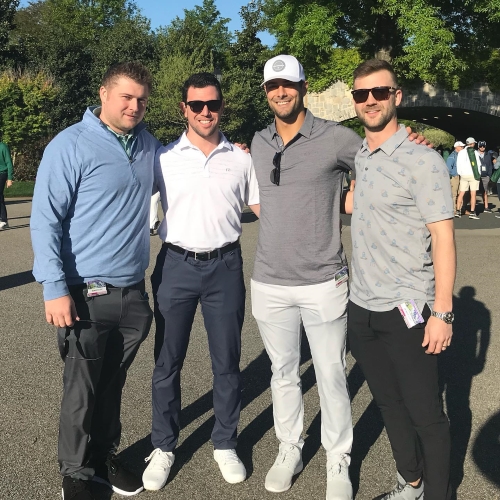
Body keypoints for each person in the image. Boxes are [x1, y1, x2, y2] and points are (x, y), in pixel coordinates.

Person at [249, 55, 427, 500]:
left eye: (288, 84)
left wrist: (412, 142)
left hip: (324, 279)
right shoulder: (257, 141)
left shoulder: (335, 138)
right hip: (270, 280)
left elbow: (381, 157)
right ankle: (290, 446)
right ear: (266, 91)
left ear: (304, 87)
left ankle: (338, 457)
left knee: (330, 373)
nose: (281, 92)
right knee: (283, 372)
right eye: (273, 85)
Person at [30, 62, 160, 500]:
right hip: (85, 293)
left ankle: (104, 455)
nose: (134, 105)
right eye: (126, 96)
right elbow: (45, 219)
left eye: (142, 98)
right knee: (81, 390)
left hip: (133, 294)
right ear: (104, 94)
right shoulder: (70, 144)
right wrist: (54, 287)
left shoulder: (147, 145)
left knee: (112, 383)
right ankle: (76, 473)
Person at [142, 72, 260, 491]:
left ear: (222, 106)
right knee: (166, 361)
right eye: (196, 105)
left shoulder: (241, 158)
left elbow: (269, 209)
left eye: (212, 104)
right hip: (175, 264)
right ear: (183, 110)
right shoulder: (162, 157)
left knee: (227, 362)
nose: (205, 112)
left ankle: (225, 441)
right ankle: (163, 444)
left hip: (225, 267)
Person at [345, 59, 455, 500]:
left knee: (426, 412)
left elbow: (444, 239)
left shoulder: (423, 160)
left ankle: (439, 494)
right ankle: (410, 481)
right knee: (389, 404)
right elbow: (355, 204)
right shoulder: (361, 155)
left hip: (408, 306)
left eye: (379, 92)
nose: (370, 100)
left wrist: (442, 313)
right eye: (361, 94)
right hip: (363, 307)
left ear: (397, 96)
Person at [456, 137, 481, 219]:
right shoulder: (475, 152)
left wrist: (460, 173)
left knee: (461, 193)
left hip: (463, 175)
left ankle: (458, 211)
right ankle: (472, 212)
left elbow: (458, 164)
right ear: (473, 143)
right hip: (473, 175)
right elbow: (478, 164)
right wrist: (478, 174)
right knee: (473, 194)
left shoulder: (461, 152)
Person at [446, 140, 464, 216]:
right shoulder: (452, 156)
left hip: (461, 176)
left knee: (461, 193)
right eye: (461, 146)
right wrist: (455, 174)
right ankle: (453, 210)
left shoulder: (460, 155)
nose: (463, 147)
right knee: (454, 194)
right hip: (455, 177)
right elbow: (448, 168)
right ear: (456, 147)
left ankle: (459, 209)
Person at [477, 141, 494, 212]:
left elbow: (490, 165)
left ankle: (486, 207)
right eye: (481, 146)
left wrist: (489, 174)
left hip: (485, 176)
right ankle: (469, 207)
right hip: (477, 175)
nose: (482, 147)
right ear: (478, 146)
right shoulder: (475, 154)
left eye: (483, 146)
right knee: (473, 191)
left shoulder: (487, 155)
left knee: (485, 191)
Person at [0, 139, 13, 229]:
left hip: (2, 173)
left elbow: (9, 162)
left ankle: (4, 220)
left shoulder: (3, 146)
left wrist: (9, 178)